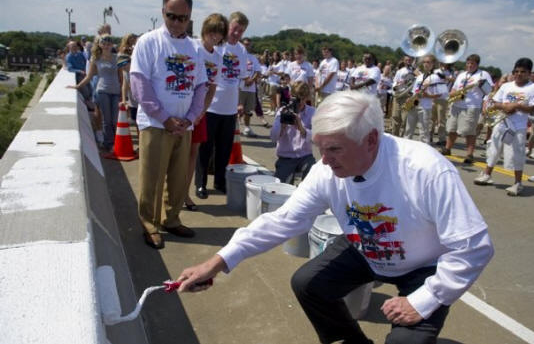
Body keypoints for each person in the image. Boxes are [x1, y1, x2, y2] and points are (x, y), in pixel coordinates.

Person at [175, 90, 494, 344]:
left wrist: (426, 298)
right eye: (320, 148)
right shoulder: (326, 170)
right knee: (308, 284)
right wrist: (216, 262)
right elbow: (282, 220)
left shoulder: (425, 169)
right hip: (366, 247)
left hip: (424, 265)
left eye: (334, 150)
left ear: (371, 139)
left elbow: (474, 246)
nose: (323, 161)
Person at [130, 0, 207, 249]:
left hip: (184, 125)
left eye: (182, 18)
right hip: (156, 124)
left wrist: (190, 117)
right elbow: (139, 85)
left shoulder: (195, 47)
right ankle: (149, 223)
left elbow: (201, 86)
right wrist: (165, 118)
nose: (176, 22)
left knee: (177, 177)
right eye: (172, 16)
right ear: (163, 12)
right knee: (152, 177)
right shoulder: (148, 42)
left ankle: (171, 218)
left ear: (189, 18)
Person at [195, 11, 249, 199]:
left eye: (240, 31)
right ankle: (200, 183)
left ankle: (219, 181)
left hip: (230, 108)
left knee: (224, 148)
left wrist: (240, 104)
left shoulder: (242, 50)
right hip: (210, 106)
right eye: (234, 29)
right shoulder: (217, 46)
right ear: (229, 26)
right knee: (205, 148)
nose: (236, 33)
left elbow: (242, 79)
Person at [183, 13, 228, 209]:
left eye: (219, 32)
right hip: (184, 107)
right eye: (212, 31)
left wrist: (202, 111)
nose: (215, 36)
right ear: (205, 30)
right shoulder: (193, 47)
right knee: (179, 153)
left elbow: (212, 88)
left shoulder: (218, 57)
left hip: (201, 113)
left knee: (193, 153)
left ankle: (184, 193)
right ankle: (174, 193)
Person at [474, 57, 534, 196]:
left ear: (529, 73)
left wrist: (517, 106)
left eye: (523, 72)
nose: (519, 74)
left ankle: (517, 183)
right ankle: (487, 174)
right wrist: (505, 106)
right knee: (494, 149)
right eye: (516, 71)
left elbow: (531, 108)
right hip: (501, 123)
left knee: (516, 154)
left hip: (518, 127)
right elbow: (495, 102)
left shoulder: (532, 88)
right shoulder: (506, 86)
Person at [69, 34, 121, 152]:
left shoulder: (116, 57)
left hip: (116, 91)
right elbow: (89, 76)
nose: (106, 46)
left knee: (114, 120)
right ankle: (109, 143)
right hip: (102, 90)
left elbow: (121, 76)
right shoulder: (96, 58)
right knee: (106, 119)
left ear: (111, 45)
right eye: (104, 44)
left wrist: (124, 92)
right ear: (100, 44)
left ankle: (112, 142)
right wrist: (77, 86)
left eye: (109, 44)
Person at [442, 54, 494, 164]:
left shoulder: (483, 74)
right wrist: (452, 94)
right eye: (468, 63)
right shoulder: (462, 75)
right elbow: (454, 88)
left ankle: (469, 154)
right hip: (456, 104)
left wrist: (481, 85)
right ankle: (447, 148)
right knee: (452, 128)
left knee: (469, 132)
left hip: (471, 106)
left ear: (477, 64)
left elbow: (490, 90)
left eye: (472, 64)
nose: (470, 65)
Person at [270, 82, 315, 184]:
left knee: (313, 174)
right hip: (286, 156)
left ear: (307, 98)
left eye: (302, 99)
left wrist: (302, 129)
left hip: (305, 156)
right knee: (281, 187)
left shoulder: (312, 112)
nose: (299, 103)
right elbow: (273, 137)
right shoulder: (283, 111)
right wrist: (282, 126)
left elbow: (317, 138)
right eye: (296, 98)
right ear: (290, 96)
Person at [403, 55, 442, 144]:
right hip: (413, 104)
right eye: (424, 62)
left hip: (424, 107)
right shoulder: (420, 76)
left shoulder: (435, 77)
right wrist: (409, 98)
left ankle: (425, 151)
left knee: (423, 131)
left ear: (433, 64)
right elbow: (414, 90)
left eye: (428, 62)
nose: (425, 64)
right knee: (408, 129)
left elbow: (439, 94)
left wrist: (428, 96)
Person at [238, 37, 263, 137]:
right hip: (240, 87)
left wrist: (252, 80)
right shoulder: (238, 56)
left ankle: (247, 128)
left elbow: (258, 71)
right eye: (245, 44)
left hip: (251, 88)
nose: (247, 46)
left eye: (248, 44)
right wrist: (245, 80)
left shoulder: (253, 58)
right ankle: (234, 127)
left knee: (248, 110)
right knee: (238, 108)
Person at [390, 56, 415, 136]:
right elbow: (395, 83)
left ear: (412, 61)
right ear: (404, 61)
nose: (408, 61)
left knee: (405, 119)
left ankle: (403, 137)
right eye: (406, 60)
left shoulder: (415, 71)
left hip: (408, 97)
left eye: (409, 60)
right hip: (398, 95)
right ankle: (395, 136)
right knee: (395, 117)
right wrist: (395, 88)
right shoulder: (400, 71)